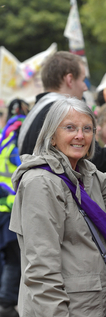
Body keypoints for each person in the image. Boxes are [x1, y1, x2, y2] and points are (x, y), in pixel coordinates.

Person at [9, 97, 106, 316]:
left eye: (87, 128)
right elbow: (41, 271)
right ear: (52, 136)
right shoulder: (40, 183)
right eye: (70, 128)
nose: (80, 136)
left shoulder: (87, 172)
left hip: (95, 305)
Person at [18, 51, 106, 173]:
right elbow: (93, 160)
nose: (85, 88)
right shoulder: (60, 110)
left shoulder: (38, 109)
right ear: (70, 79)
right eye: (82, 80)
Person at [0, 99, 28, 317]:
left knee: (9, 258)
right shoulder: (21, 137)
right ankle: (7, 304)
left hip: (2, 209)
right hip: (12, 209)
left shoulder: (4, 136)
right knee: (15, 259)